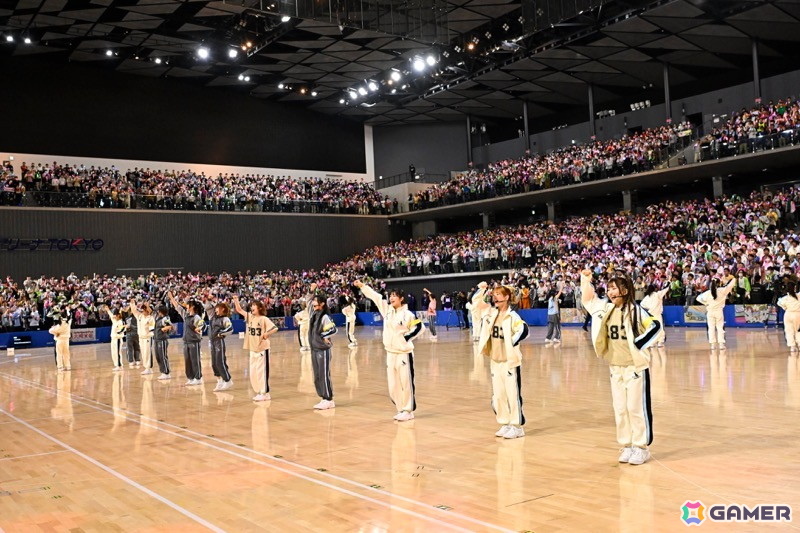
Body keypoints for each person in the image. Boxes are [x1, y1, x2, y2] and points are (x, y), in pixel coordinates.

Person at [581, 269, 661, 465]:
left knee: (635, 408)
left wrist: (639, 343)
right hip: (615, 367)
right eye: (608, 289)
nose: (610, 292)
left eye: (614, 288)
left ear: (625, 291)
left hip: (635, 368)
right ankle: (627, 445)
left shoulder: (636, 310)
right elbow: (588, 300)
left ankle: (641, 447)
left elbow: (655, 326)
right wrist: (585, 279)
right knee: (620, 409)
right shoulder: (606, 309)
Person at [354, 279, 423, 421]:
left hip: (404, 354)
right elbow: (375, 297)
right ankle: (400, 409)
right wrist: (362, 286)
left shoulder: (408, 314)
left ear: (401, 298)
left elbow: (420, 327)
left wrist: (405, 338)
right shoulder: (387, 311)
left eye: (394, 296)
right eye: (390, 296)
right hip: (390, 353)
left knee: (406, 383)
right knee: (393, 385)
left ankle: (408, 410)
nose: (391, 298)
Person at [478, 285, 529, 439]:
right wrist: (482, 291)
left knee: (512, 394)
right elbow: (478, 304)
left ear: (506, 297)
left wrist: (510, 342)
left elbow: (524, 330)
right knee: (498, 395)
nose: (495, 297)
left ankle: (517, 426)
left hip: (509, 362)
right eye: (494, 294)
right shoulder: (491, 314)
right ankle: (505, 423)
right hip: (495, 360)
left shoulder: (513, 316)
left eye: (498, 294)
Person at [233, 295, 278, 402]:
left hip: (262, 348)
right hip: (252, 349)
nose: (252, 307)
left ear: (260, 308)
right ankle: (259, 392)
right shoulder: (250, 317)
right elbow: (239, 310)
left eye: (254, 305)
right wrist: (236, 300)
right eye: (251, 305)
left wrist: (267, 334)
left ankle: (265, 393)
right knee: (253, 372)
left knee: (261, 372)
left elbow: (275, 328)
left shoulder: (264, 319)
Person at [167, 292, 205, 386]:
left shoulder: (196, 317)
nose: (186, 306)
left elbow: (202, 325)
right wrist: (171, 297)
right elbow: (177, 307)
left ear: (192, 307)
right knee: (187, 361)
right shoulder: (186, 315)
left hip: (194, 341)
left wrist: (199, 329)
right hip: (186, 341)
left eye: (188, 305)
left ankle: (198, 378)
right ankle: (190, 378)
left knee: (195, 360)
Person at [309, 295, 338, 409]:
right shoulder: (313, 315)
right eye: (313, 301)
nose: (313, 303)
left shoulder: (325, 317)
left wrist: (324, 336)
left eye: (315, 301)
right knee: (317, 375)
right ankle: (323, 397)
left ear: (322, 304)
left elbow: (333, 329)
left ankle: (329, 399)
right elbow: (308, 303)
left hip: (323, 349)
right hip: (314, 348)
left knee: (323, 374)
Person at [696, 278, 736, 349]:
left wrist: (706, 303)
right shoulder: (722, 290)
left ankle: (713, 345)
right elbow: (730, 285)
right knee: (720, 328)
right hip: (719, 312)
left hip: (710, 312)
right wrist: (734, 278)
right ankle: (721, 345)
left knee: (711, 328)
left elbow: (698, 298)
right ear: (718, 284)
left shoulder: (707, 293)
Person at [205, 299, 234, 391]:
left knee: (220, 362)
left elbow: (230, 329)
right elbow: (207, 307)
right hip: (212, 342)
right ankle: (219, 381)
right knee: (214, 363)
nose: (215, 309)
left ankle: (228, 380)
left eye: (217, 308)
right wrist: (209, 299)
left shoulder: (225, 319)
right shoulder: (212, 317)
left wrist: (221, 333)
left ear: (223, 309)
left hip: (219, 342)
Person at [129, 300, 155, 375]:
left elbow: (152, 329)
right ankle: (146, 367)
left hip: (147, 338)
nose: (143, 311)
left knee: (147, 352)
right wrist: (132, 303)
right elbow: (134, 311)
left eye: (144, 309)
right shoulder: (140, 316)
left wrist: (148, 306)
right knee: (143, 353)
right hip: (141, 338)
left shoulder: (151, 318)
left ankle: (149, 368)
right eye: (143, 309)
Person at [777, 281, 800, 352]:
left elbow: (779, 303)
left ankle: (792, 347)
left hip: (788, 314)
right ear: (795, 288)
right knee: (798, 330)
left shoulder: (785, 298)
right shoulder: (798, 296)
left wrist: (785, 308)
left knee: (789, 331)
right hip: (798, 315)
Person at [48, 308, 72, 372]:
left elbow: (50, 330)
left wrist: (56, 333)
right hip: (66, 341)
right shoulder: (68, 323)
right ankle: (68, 366)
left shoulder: (58, 326)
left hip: (59, 341)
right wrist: (68, 310)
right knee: (66, 354)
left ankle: (60, 367)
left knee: (59, 354)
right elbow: (70, 318)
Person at [153, 305, 172, 380]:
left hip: (162, 340)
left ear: (161, 311)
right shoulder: (158, 318)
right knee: (158, 356)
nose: (157, 312)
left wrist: (163, 329)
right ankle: (162, 372)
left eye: (158, 310)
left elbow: (169, 326)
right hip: (156, 339)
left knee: (163, 356)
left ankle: (166, 372)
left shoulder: (165, 318)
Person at [107, 306, 125, 371]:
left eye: (115, 315)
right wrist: (108, 310)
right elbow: (111, 315)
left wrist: (119, 331)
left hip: (118, 339)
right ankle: (116, 365)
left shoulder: (120, 322)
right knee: (114, 352)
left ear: (118, 315)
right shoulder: (114, 320)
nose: (114, 317)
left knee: (118, 352)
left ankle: (119, 365)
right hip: (113, 339)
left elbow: (121, 330)